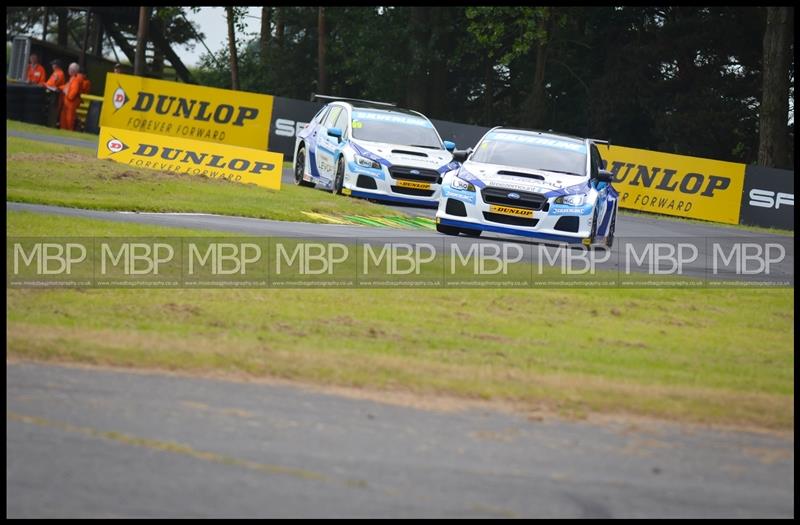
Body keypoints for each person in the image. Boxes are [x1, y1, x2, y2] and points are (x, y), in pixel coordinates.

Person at [60, 62, 87, 131]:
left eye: (70, 69)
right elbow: (67, 87)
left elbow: (74, 92)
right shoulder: (72, 78)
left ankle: (69, 134)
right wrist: (58, 87)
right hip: (68, 102)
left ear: (73, 70)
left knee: (69, 120)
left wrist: (68, 95)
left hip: (71, 102)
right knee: (64, 119)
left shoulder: (76, 79)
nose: (68, 70)